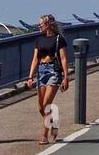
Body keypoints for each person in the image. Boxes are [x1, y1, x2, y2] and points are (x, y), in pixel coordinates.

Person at [25, 15, 69, 145]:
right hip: (41, 71)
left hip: (53, 71)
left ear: (48, 24)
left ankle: (44, 136)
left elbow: (64, 59)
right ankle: (54, 120)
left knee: (45, 105)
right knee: (40, 107)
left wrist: (66, 77)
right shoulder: (39, 40)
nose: (39, 26)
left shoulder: (58, 39)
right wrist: (30, 76)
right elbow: (35, 59)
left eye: (41, 24)